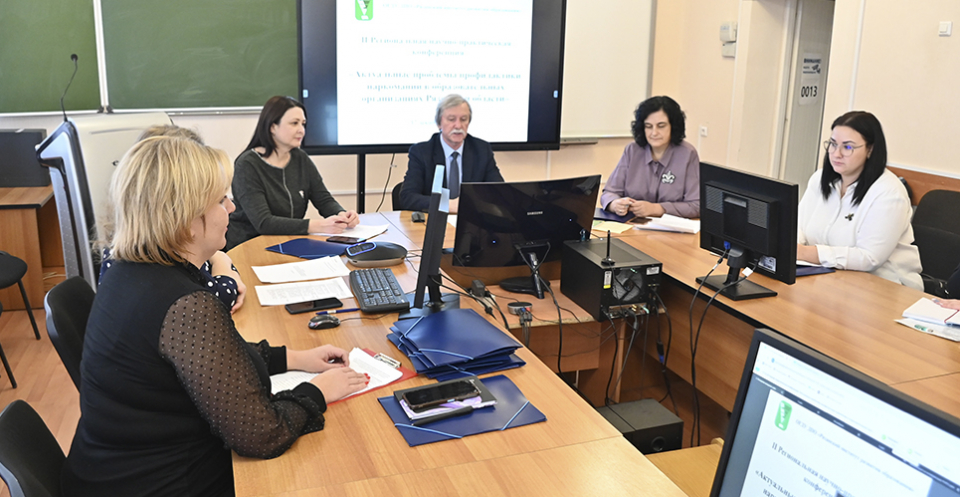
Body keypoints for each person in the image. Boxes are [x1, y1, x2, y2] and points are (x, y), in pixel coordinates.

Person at [61, 136, 369, 495]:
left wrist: (295, 358)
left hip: (108, 472)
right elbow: (261, 435)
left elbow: (210, 360)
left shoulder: (132, 269)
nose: (232, 207)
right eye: (221, 200)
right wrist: (317, 392)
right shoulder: (185, 304)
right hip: (159, 483)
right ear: (187, 219)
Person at [99, 124, 247, 312]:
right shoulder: (167, 276)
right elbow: (219, 298)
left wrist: (218, 258)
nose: (231, 207)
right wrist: (222, 262)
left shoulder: (139, 247)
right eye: (219, 200)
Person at [797, 111, 922, 290]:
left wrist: (808, 253)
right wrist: (793, 247)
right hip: (830, 278)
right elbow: (799, 227)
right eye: (833, 144)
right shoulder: (820, 179)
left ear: (870, 150)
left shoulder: (889, 192)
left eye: (847, 147)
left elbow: (870, 258)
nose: (836, 154)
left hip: (886, 287)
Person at [226, 96, 359, 250]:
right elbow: (264, 222)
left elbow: (323, 199)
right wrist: (318, 225)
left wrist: (341, 215)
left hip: (289, 241)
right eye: (294, 123)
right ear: (273, 127)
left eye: (303, 123)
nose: (301, 130)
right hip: (248, 245)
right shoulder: (247, 164)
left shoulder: (300, 158)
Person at [399, 94, 503, 213]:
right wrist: (446, 205)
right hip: (435, 220)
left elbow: (500, 192)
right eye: (451, 119)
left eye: (463, 119)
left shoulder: (481, 150)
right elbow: (407, 197)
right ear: (439, 123)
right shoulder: (422, 152)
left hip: (471, 219)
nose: (458, 125)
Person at [600, 96, 700, 219]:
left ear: (673, 126)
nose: (654, 133)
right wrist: (615, 204)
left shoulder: (688, 154)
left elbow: (696, 206)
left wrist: (656, 209)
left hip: (671, 228)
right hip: (632, 225)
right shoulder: (632, 150)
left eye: (661, 126)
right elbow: (609, 193)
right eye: (648, 126)